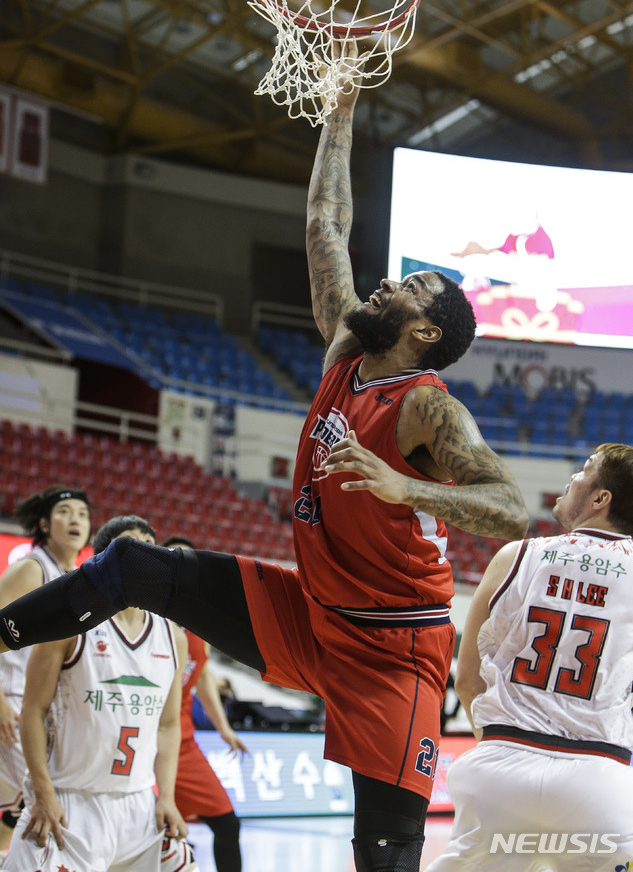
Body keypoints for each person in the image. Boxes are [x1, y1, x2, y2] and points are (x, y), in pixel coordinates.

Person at [0, 77, 528, 872]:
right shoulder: (347, 352)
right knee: (138, 564)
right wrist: (341, 114)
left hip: (394, 648)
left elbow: (513, 508)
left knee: (384, 857)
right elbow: (326, 224)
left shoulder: (427, 408)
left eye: (412, 286)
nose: (390, 280)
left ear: (424, 329)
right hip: (313, 611)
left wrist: (404, 487)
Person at [427, 443, 633, 872]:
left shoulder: (516, 555)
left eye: (584, 470)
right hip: (600, 779)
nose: (573, 477)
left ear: (601, 499)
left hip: (500, 768)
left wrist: (502, 750)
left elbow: (467, 680)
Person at [3, 515, 196, 872]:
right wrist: (44, 794)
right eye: (133, 548)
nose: (145, 558)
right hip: (69, 802)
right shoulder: (68, 623)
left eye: (151, 549)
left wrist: (166, 796)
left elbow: (168, 726)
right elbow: (33, 710)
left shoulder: (173, 636)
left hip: (139, 805)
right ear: (106, 560)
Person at [0, 485, 91, 854]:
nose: (76, 520)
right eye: (66, 511)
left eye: (83, 514)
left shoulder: (72, 577)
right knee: (44, 800)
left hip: (39, 710)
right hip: (12, 705)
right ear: (43, 523)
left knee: (18, 808)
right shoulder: (31, 568)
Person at [162, 536, 246, 872]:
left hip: (183, 741)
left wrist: (224, 728)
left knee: (227, 824)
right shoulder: (150, 619)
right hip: (149, 742)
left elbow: (203, 675)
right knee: (158, 833)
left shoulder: (197, 617)